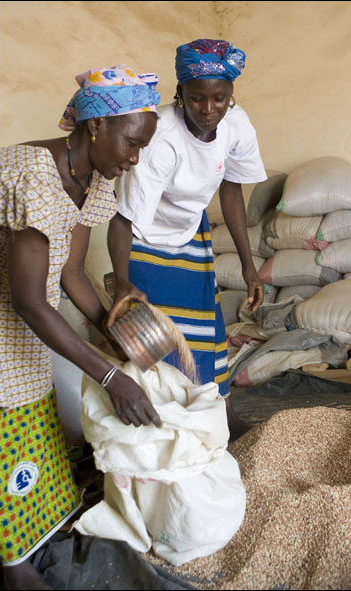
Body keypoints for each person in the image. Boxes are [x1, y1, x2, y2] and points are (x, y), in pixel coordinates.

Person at [0, 64, 161, 590]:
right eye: (131, 144)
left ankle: (34, 527)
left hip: (19, 319)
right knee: (6, 425)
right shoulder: (34, 172)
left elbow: (69, 275)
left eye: (142, 150)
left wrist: (116, 334)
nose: (133, 159)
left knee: (33, 415)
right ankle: (14, 565)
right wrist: (113, 380)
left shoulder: (92, 183)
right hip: (7, 313)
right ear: (96, 126)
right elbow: (27, 299)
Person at [107, 40, 267, 437]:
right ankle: (170, 432)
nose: (209, 109)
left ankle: (220, 416)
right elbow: (123, 219)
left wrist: (250, 267)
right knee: (159, 345)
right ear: (180, 94)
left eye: (219, 98)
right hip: (144, 242)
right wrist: (123, 282)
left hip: (191, 236)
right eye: (196, 98)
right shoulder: (160, 138)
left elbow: (231, 191)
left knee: (208, 334)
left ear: (231, 95)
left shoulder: (235, 123)